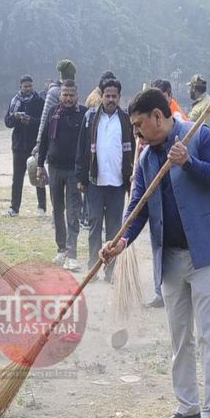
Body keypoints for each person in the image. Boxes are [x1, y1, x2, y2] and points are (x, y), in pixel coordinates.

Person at [100, 88, 210, 418]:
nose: (137, 134)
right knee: (179, 335)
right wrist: (122, 240)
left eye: (139, 125)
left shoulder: (199, 135)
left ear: (158, 117)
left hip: (206, 254)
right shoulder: (147, 158)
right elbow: (138, 206)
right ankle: (187, 406)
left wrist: (189, 162)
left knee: (208, 333)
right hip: (170, 257)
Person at [76, 77, 133, 282]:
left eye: (114, 96)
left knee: (114, 231)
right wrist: (81, 178)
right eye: (107, 95)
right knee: (94, 227)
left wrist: (131, 180)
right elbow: (82, 149)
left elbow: (132, 150)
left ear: (119, 97)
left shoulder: (126, 120)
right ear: (101, 96)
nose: (110, 99)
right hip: (95, 183)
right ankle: (93, 269)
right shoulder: (90, 118)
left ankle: (111, 271)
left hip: (117, 184)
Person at [37, 79, 86, 272]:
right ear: (60, 95)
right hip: (55, 168)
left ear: (77, 96)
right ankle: (61, 249)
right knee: (57, 209)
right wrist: (40, 165)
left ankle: (72, 254)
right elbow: (44, 140)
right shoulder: (53, 113)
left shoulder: (83, 114)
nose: (67, 98)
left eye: (71, 95)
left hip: (74, 170)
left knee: (73, 212)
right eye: (64, 95)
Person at [4, 74, 46, 217]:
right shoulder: (15, 101)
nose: (28, 89)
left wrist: (30, 120)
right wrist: (16, 118)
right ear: (20, 87)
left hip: (34, 146)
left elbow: (43, 121)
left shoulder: (39, 101)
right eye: (25, 86)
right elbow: (7, 122)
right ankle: (14, 208)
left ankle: (42, 207)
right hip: (18, 145)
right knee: (17, 178)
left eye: (30, 86)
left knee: (38, 176)